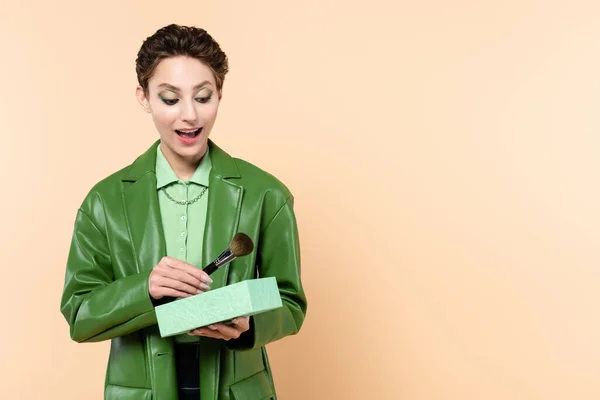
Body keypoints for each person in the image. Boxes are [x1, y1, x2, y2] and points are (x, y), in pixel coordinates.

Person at [59, 24, 307, 400]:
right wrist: (145, 289)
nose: (189, 115)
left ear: (220, 94)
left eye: (203, 97)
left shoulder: (266, 194)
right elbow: (79, 315)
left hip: (238, 388)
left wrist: (250, 324)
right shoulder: (104, 201)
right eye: (170, 99)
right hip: (140, 390)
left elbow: (290, 302)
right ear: (144, 97)